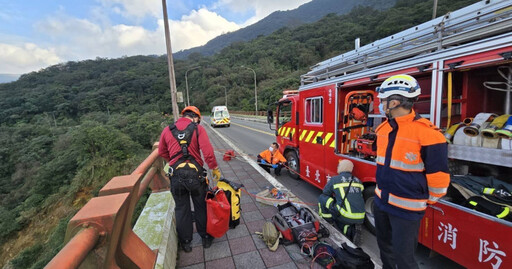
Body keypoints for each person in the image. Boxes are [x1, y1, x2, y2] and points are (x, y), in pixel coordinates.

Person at [373, 74, 450, 269]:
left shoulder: (429, 134)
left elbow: (439, 177)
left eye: (383, 100)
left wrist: (423, 200)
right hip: (381, 202)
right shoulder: (383, 129)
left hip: (407, 209)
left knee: (404, 258)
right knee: (385, 249)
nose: (381, 104)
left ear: (395, 102)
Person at [158, 106, 221, 252]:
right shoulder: (198, 129)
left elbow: (162, 151)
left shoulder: (168, 130)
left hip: (176, 177)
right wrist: (214, 168)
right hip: (196, 176)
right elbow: (208, 152)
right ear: (196, 117)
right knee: (200, 207)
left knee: (182, 208)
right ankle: (205, 238)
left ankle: (186, 242)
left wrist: (173, 161)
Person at [318, 160, 365, 242]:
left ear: (341, 168)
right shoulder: (358, 180)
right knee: (342, 220)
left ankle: (328, 222)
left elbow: (325, 193)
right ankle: (353, 229)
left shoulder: (335, 179)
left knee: (322, 198)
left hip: (346, 215)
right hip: (361, 216)